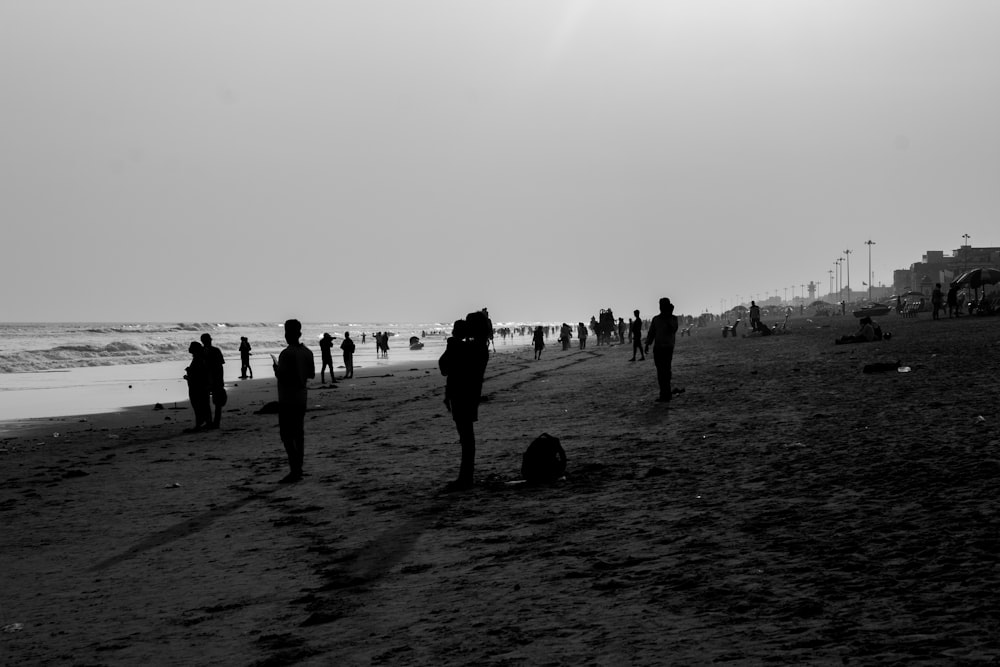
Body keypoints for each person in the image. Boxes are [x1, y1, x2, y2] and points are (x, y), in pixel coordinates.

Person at [438, 312, 490, 492]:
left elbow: (444, 367)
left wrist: (453, 343)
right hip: (469, 394)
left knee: (466, 436)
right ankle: (466, 476)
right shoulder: (479, 346)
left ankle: (465, 478)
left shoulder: (469, 347)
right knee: (466, 436)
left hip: (463, 394)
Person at [274, 319, 316, 483]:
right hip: (301, 397)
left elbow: (282, 375)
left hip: (287, 398)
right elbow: (311, 374)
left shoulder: (286, 353)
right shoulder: (307, 352)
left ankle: (295, 469)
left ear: (287, 333)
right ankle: (298, 467)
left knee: (286, 435)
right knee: (299, 434)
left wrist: (277, 370)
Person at [644, 297, 679, 403]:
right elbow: (651, 333)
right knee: (661, 372)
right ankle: (664, 393)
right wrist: (647, 344)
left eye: (662, 305)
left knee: (666, 371)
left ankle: (666, 394)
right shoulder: (656, 319)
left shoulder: (672, 318)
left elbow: (673, 329)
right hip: (658, 348)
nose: (660, 307)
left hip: (667, 348)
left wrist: (668, 315)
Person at [200, 333, 227, 429]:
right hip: (213, 379)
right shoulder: (215, 350)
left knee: (211, 402)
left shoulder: (203, 351)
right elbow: (220, 366)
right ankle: (213, 423)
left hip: (210, 379)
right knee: (215, 403)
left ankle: (212, 422)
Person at [184, 341, 212, 431]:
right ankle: (206, 423)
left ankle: (199, 425)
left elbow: (198, 374)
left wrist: (188, 374)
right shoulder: (200, 358)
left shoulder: (198, 359)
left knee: (197, 405)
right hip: (201, 385)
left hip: (197, 386)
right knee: (203, 405)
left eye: (191, 347)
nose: (189, 348)